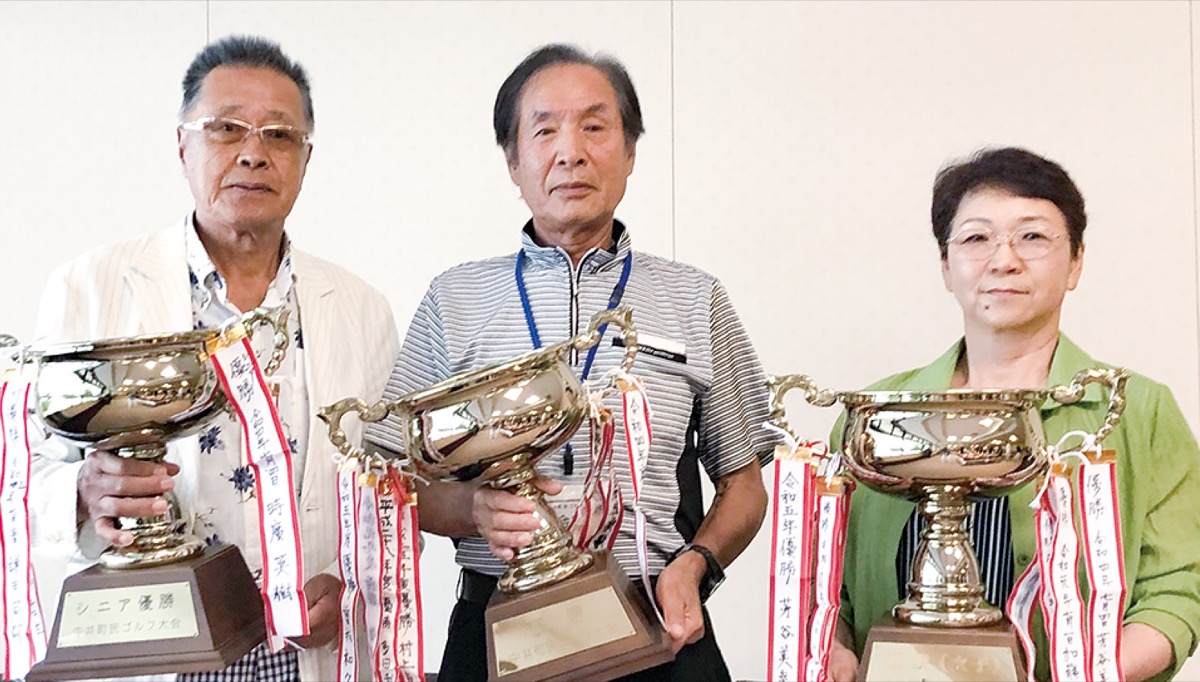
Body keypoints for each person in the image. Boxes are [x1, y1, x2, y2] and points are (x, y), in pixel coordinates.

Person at [363, 43, 776, 682]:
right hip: (498, 624)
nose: (570, 152)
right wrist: (472, 509)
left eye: (594, 127)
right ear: (513, 161)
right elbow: (392, 478)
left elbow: (743, 486)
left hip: (657, 621)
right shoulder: (455, 299)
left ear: (630, 151)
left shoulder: (695, 298)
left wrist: (697, 564)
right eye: (544, 130)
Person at [29, 35, 399, 681]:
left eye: (279, 135)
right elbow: (20, 476)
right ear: (182, 147)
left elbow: (389, 482)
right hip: (156, 648)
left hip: (303, 653)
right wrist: (82, 494)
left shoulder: (361, 308)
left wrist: (353, 585)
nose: (254, 152)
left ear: (306, 160)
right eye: (226, 128)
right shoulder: (86, 289)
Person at [828, 147, 1200, 682]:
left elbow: (1178, 588)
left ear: (1076, 263)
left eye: (1032, 236)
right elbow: (832, 590)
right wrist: (836, 651)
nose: (1004, 260)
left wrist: (1082, 675)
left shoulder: (1138, 409)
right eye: (976, 238)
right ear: (946, 266)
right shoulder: (877, 414)